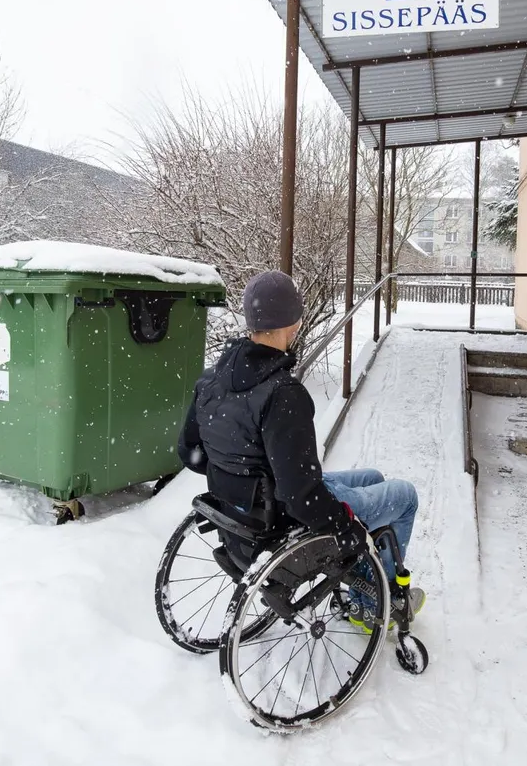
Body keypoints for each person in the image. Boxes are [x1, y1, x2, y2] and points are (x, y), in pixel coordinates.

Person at [177, 269, 425, 627]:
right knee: (404, 496)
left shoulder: (211, 379)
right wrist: (346, 527)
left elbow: (190, 453)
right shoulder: (282, 394)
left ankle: (364, 583)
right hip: (282, 515)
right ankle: (371, 605)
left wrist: (242, 479)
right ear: (292, 324)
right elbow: (300, 495)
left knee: (373, 476)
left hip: (244, 509)